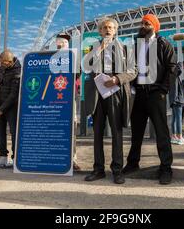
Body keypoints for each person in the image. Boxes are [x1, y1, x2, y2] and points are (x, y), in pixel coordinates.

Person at [123, 14, 177, 185]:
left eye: (147, 23)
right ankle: (132, 163)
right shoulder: (136, 45)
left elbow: (172, 67)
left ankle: (166, 168)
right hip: (138, 93)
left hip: (156, 94)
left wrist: (163, 89)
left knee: (161, 132)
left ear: (155, 26)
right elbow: (130, 67)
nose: (143, 26)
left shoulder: (163, 44)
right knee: (137, 132)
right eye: (142, 23)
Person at [83, 18, 137, 184]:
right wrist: (99, 49)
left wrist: (117, 79)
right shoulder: (92, 48)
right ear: (100, 31)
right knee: (97, 133)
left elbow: (133, 71)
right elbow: (85, 66)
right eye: (105, 28)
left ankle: (117, 170)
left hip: (115, 93)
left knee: (116, 132)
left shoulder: (126, 48)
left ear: (115, 31)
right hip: (97, 95)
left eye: (111, 28)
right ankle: (98, 169)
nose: (107, 30)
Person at [0, 50, 21, 168]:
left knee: (14, 132)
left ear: (11, 61)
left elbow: (14, 94)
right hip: (0, 103)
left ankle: (15, 159)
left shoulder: (18, 71)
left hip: (12, 106)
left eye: (4, 63)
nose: (1, 65)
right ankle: (2, 158)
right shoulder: (3, 67)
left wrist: (1, 109)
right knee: (0, 132)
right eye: (0, 63)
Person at [56, 33, 82, 172]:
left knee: (71, 129)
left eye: (64, 42)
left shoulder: (74, 58)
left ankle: (72, 159)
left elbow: (78, 74)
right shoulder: (49, 57)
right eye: (59, 42)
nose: (61, 44)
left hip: (69, 98)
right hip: (52, 100)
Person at [169, 62, 184, 146]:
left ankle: (174, 136)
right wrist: (180, 64)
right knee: (179, 119)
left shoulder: (172, 76)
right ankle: (180, 137)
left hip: (174, 100)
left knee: (174, 118)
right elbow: (179, 69)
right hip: (178, 100)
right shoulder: (176, 76)